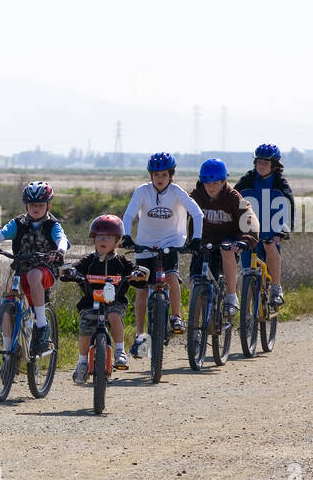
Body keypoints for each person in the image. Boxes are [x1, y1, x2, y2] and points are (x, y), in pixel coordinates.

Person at [121, 152, 203, 358]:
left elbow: (197, 213)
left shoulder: (176, 192)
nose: (159, 179)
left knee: (172, 276)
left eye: (164, 175)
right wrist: (127, 237)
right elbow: (129, 214)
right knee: (141, 290)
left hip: (170, 242)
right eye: (156, 175)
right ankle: (140, 336)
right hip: (145, 243)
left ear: (171, 175)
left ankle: (176, 316)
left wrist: (196, 240)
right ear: (150, 176)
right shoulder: (142, 191)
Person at [0, 181, 70, 356]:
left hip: (46, 268)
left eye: (40, 205)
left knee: (34, 276)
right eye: (32, 204)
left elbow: (62, 239)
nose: (36, 208)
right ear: (26, 204)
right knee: (7, 306)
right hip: (21, 267)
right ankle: (9, 355)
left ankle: (41, 325)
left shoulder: (52, 225)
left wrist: (60, 251)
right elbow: (1, 233)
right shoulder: (18, 223)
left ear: (48, 205)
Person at [63, 214, 145, 383]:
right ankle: (82, 363)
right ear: (94, 239)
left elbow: (134, 270)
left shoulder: (121, 262)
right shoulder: (89, 260)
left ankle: (120, 351)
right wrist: (71, 272)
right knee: (86, 328)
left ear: (117, 242)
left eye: (108, 237)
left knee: (114, 316)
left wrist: (137, 274)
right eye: (99, 237)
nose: (103, 240)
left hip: (114, 302)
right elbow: (76, 268)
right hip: (90, 302)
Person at [187, 159, 259, 317]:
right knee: (195, 285)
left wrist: (247, 239)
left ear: (224, 181)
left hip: (228, 240)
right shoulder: (196, 196)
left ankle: (231, 296)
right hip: (205, 243)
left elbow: (249, 217)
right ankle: (195, 332)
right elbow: (179, 215)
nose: (210, 187)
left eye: (215, 183)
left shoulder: (233, 197)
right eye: (207, 183)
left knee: (227, 248)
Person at [234, 142, 293, 305]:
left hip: (272, 229)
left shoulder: (280, 183)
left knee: (269, 245)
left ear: (274, 165)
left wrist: (284, 230)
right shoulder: (247, 180)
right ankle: (246, 317)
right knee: (247, 272)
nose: (261, 165)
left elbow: (289, 205)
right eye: (259, 162)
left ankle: (276, 287)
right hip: (250, 230)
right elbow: (232, 200)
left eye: (265, 163)